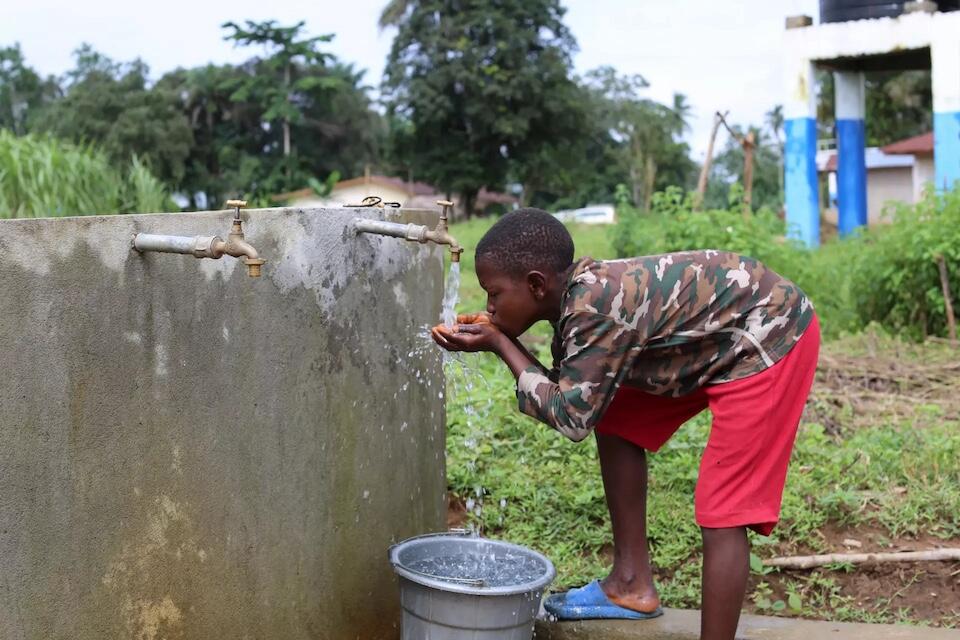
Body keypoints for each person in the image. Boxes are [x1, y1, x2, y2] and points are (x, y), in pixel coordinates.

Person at [430, 208, 820, 639]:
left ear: (537, 284)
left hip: (770, 336)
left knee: (723, 509)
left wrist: (502, 344)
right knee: (615, 412)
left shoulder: (594, 309)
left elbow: (569, 417)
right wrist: (505, 340)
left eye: (493, 294)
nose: (488, 306)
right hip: (716, 339)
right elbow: (577, 395)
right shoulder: (577, 297)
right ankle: (631, 585)